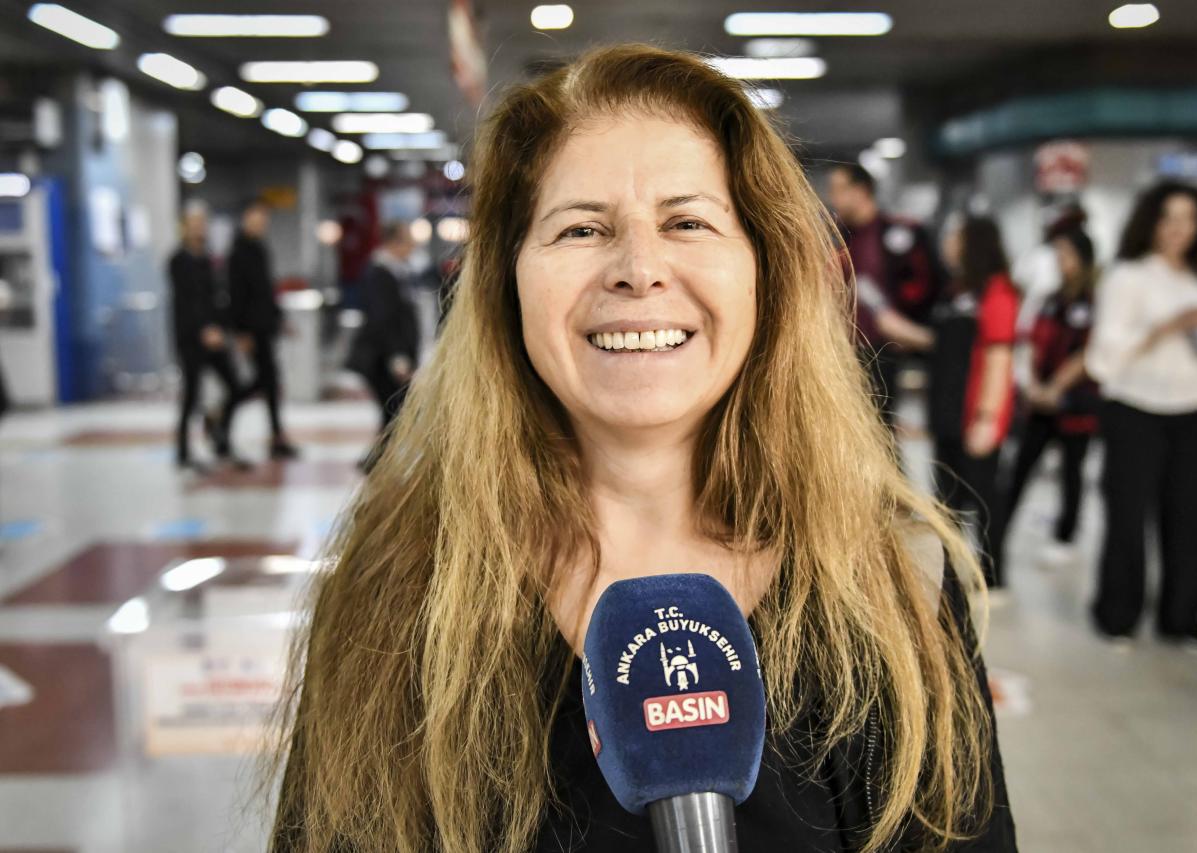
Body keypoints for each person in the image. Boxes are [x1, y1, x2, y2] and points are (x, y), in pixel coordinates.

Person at [269, 45, 1015, 853]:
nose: (638, 269)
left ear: (764, 269)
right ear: (505, 282)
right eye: (581, 229)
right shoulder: (393, 582)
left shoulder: (898, 577)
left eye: (687, 222)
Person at [1084, 181, 1197, 651]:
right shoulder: (1128, 277)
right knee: (1128, 515)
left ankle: (1183, 616)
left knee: (1190, 516)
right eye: (1169, 218)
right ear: (1151, 221)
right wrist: (1164, 328)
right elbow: (1103, 357)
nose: (1178, 229)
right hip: (1135, 410)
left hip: (1193, 412)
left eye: (1189, 219)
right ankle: (1117, 614)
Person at [993, 226, 1100, 575]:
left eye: (1066, 254)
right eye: (1058, 254)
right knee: (1019, 468)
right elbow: (1030, 341)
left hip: (1075, 403)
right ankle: (998, 535)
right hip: (1039, 401)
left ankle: (1065, 537)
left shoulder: (1093, 302)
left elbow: (1090, 351)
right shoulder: (1051, 299)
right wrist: (1033, 386)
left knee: (1072, 471)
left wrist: (1056, 387)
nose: (1060, 261)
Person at [928, 215, 1021, 591]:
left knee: (984, 500)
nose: (948, 243)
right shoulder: (955, 290)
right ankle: (949, 579)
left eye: (956, 237)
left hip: (976, 415)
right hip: (947, 413)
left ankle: (993, 578)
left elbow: (999, 358)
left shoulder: (997, 291)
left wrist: (986, 417)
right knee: (946, 500)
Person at [828, 162, 942, 425]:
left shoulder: (900, 234)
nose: (833, 198)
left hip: (890, 353)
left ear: (861, 190)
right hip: (845, 351)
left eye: (839, 189)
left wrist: (909, 329)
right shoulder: (838, 240)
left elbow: (927, 288)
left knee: (880, 429)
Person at [168, 203, 244, 470]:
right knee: (191, 395)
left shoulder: (210, 259)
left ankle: (219, 433)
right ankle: (182, 451)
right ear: (185, 227)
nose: (199, 228)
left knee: (235, 386)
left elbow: (216, 298)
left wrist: (224, 328)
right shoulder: (178, 260)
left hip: (215, 336)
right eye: (194, 223)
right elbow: (188, 301)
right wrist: (203, 329)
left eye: (202, 223)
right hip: (191, 338)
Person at [346, 221, 422, 471]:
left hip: (391, 355)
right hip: (382, 357)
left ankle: (377, 459)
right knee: (395, 408)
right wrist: (397, 356)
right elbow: (383, 318)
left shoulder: (396, 271)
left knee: (395, 409)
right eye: (408, 241)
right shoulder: (380, 273)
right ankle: (376, 461)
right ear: (393, 243)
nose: (412, 246)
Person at [228, 199, 298, 460]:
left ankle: (276, 435)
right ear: (245, 219)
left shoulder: (261, 249)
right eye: (256, 218)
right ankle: (223, 413)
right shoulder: (237, 253)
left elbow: (267, 291)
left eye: (263, 219)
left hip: (265, 326)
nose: (260, 224)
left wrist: (280, 319)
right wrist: (240, 332)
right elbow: (236, 295)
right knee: (264, 381)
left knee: (268, 382)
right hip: (251, 329)